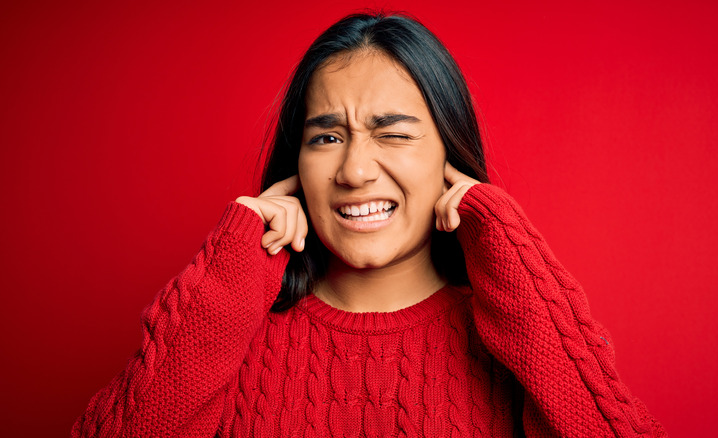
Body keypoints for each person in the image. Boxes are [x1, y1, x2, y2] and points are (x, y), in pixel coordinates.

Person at [72, 12, 666, 437]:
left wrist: (503, 240)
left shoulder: (519, 347)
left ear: (449, 159)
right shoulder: (229, 342)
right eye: (326, 137)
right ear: (295, 165)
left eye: (394, 134)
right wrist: (230, 268)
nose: (354, 170)